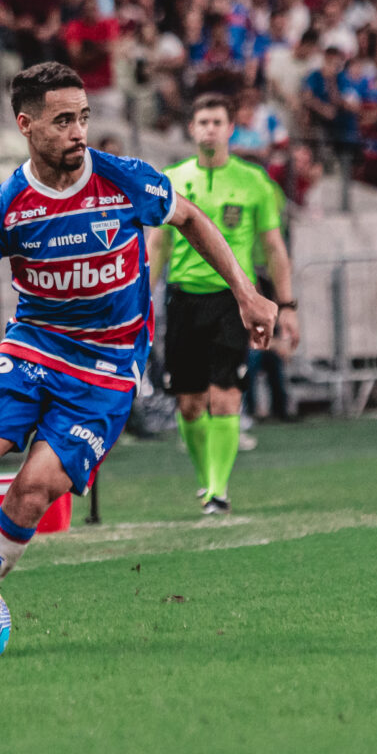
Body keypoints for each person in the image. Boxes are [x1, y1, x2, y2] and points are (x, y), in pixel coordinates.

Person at [0, 62, 277, 653]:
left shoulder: (124, 180)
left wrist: (246, 292)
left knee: (33, 490)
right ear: (26, 124)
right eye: (63, 120)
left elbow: (190, 218)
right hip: (33, 346)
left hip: (108, 366)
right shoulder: (8, 203)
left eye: (83, 117)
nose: (78, 131)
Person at [149, 94, 300, 514]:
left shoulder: (255, 182)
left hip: (235, 301)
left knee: (226, 395)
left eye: (218, 121)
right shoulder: (172, 179)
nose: (210, 128)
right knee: (190, 403)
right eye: (203, 121)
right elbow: (157, 243)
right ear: (192, 129)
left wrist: (286, 305)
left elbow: (273, 248)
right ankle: (205, 479)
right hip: (183, 299)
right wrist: (143, 297)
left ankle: (218, 489)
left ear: (231, 128)